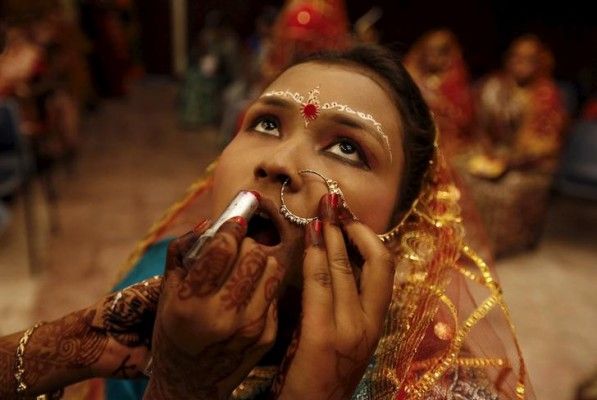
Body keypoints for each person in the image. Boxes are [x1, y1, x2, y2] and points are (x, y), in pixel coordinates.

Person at [0, 44, 533, 399]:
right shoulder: (147, 295)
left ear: (401, 221)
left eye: (348, 147)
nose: (277, 162)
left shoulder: (436, 372)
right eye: (266, 124)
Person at [462, 34, 567, 257]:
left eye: (528, 59)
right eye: (516, 57)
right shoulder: (493, 85)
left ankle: (494, 247)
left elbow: (547, 144)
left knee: (505, 188)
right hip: (494, 154)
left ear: (538, 63)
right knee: (459, 172)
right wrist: (487, 150)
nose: (520, 63)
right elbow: (478, 127)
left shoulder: (546, 95)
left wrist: (512, 160)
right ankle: (459, 242)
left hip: (530, 164)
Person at [404, 29, 475, 159]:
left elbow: (463, 120)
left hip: (448, 144)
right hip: (413, 139)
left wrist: (439, 105)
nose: (434, 57)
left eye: (442, 52)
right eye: (429, 51)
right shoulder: (410, 75)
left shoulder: (455, 80)